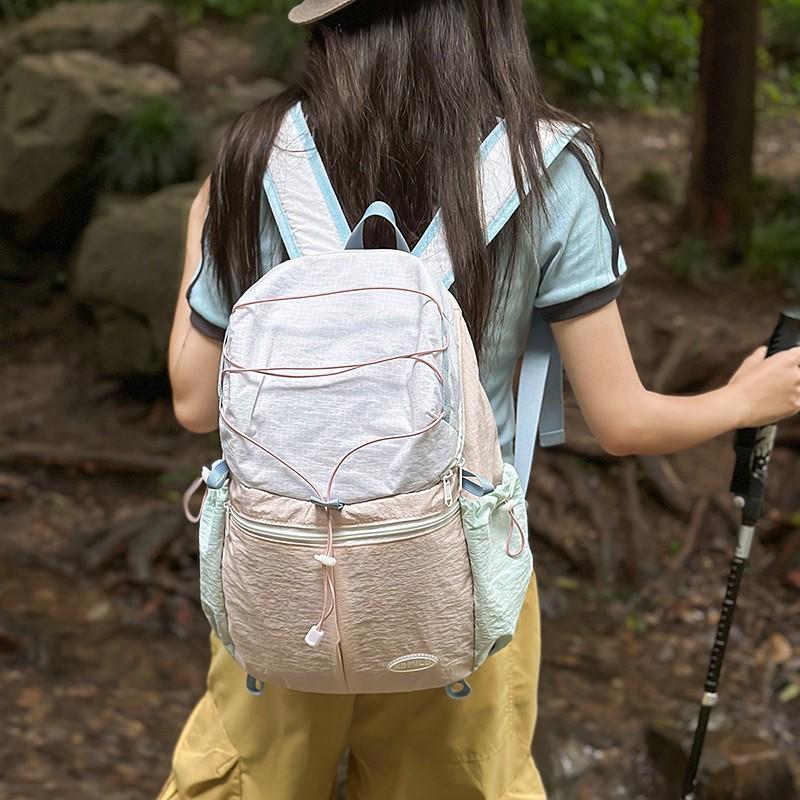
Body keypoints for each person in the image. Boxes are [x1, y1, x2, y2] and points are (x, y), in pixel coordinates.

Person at [163, 1, 800, 798]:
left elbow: (193, 401)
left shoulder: (256, 155)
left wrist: (206, 217)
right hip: (455, 581)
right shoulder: (546, 165)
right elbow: (623, 421)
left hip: (285, 574)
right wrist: (744, 399)